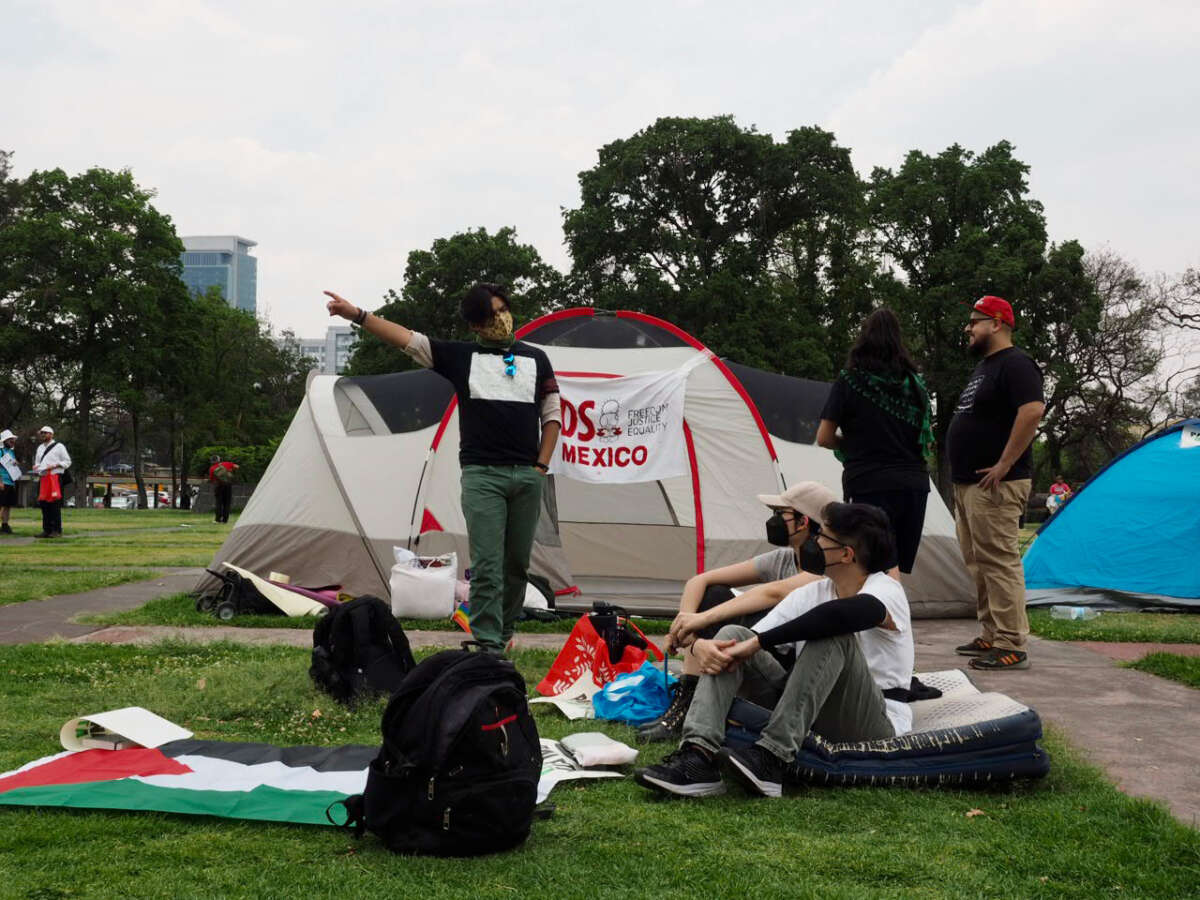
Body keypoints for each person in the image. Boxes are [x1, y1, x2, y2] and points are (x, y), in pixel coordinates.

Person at [324, 284, 562, 655]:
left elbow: (552, 416)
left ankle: (505, 630)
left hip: (528, 476)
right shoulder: (460, 357)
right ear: (476, 326)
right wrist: (357, 315)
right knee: (487, 562)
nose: (501, 318)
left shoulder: (537, 359)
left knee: (516, 563)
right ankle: (487, 643)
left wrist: (540, 467)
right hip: (483, 476)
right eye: (490, 315)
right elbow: (408, 340)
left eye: (503, 309)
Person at [635, 502, 913, 799]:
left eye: (823, 538)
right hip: (809, 707)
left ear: (846, 554)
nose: (814, 542)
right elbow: (750, 639)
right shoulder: (816, 591)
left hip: (870, 719)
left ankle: (771, 758)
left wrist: (757, 643)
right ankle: (698, 757)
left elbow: (844, 615)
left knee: (833, 634)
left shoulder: (885, 590)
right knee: (732, 635)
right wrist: (701, 643)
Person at [636, 481, 837, 742]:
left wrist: (699, 622)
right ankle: (687, 701)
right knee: (713, 594)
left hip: (784, 675)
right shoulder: (782, 559)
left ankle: (691, 709)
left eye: (780, 514)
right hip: (755, 653)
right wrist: (683, 623)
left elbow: (771, 593)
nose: (773, 520)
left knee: (719, 611)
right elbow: (699, 581)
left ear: (803, 522)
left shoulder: (824, 570)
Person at [948, 296, 1045, 670]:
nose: (968, 328)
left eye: (974, 321)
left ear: (998, 323)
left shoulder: (1017, 364)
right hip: (969, 485)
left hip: (996, 485)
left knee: (999, 561)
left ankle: (1011, 643)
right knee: (978, 561)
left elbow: (1033, 410)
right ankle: (990, 633)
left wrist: (1005, 463)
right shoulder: (986, 368)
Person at [816, 307, 933, 576]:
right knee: (894, 567)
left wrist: (851, 443)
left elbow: (823, 437)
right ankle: (895, 616)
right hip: (913, 486)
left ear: (864, 338)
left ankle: (871, 616)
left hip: (869, 482)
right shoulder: (916, 386)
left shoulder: (850, 380)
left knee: (869, 565)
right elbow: (924, 440)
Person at [32, 426, 71, 539]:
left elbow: (67, 461)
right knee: (44, 504)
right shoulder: (39, 448)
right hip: (43, 477)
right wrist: (37, 467)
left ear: (51, 434)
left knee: (54, 504)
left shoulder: (59, 447)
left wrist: (55, 465)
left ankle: (57, 530)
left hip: (54, 477)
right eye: (42, 433)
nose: (43, 435)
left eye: (45, 433)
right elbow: (38, 462)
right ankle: (46, 529)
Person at [208, 455, 238, 523]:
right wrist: (230, 471)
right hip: (228, 485)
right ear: (219, 459)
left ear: (212, 461)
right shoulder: (226, 464)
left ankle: (217, 519)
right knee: (227, 503)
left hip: (218, 486)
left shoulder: (212, 468)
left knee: (218, 503)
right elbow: (237, 467)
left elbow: (211, 479)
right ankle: (225, 520)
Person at [1, 429, 20, 534]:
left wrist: (16, 463)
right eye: (10, 439)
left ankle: (5, 525)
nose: (12, 441)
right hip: (3, 482)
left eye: (13, 439)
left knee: (8, 505)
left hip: (11, 482)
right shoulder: (0, 451)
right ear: (5, 440)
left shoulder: (11, 452)